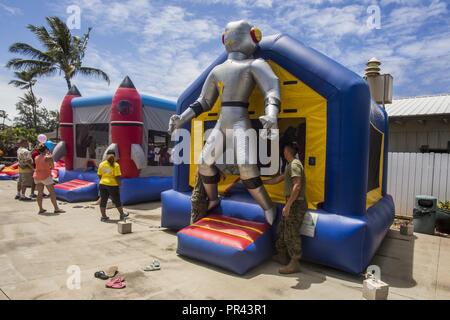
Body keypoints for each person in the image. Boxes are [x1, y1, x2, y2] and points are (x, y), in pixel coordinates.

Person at [263, 142, 307, 274]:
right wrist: (262, 182)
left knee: (292, 232)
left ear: (287, 152)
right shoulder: (290, 165)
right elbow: (278, 179)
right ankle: (282, 256)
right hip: (291, 203)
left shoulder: (294, 164)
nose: (283, 153)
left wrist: (288, 206)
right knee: (282, 229)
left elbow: (297, 186)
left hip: (295, 204)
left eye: (284, 151)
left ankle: (295, 263)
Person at [97, 150, 128, 222]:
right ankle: (122, 214)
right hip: (112, 185)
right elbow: (117, 177)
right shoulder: (116, 165)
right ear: (115, 156)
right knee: (117, 200)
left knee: (103, 200)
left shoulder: (101, 164)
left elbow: (99, 174)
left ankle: (104, 217)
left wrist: (103, 180)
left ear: (106, 155)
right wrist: (119, 185)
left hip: (102, 184)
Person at [33, 143, 65, 214]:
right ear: (46, 149)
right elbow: (52, 167)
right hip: (46, 176)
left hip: (37, 176)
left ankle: (41, 209)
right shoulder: (48, 157)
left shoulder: (36, 157)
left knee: (40, 193)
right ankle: (56, 208)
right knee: (52, 193)